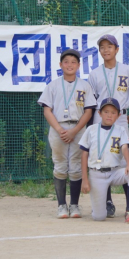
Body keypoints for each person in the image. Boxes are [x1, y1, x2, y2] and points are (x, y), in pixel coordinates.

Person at [87, 34, 129, 218]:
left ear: (117, 49)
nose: (106, 50)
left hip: (121, 117)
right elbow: (90, 100)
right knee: (102, 155)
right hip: (99, 116)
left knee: (124, 159)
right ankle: (108, 202)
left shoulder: (127, 70)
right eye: (102, 47)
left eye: (109, 46)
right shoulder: (94, 74)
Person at [37, 49, 95, 219]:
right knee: (60, 166)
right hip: (58, 128)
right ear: (60, 64)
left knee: (76, 167)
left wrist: (75, 130)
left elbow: (89, 111)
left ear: (78, 65)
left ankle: (75, 205)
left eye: (73, 62)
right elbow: (47, 110)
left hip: (78, 129)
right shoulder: (53, 85)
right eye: (66, 61)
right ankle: (62, 205)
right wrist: (60, 129)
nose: (70, 65)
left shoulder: (84, 86)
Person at [80, 98, 129, 223]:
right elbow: (84, 155)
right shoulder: (91, 130)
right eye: (106, 111)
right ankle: (98, 207)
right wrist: (85, 180)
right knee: (99, 217)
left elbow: (124, 147)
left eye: (113, 112)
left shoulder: (120, 130)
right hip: (96, 174)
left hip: (114, 172)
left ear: (118, 115)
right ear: (99, 113)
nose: (109, 115)